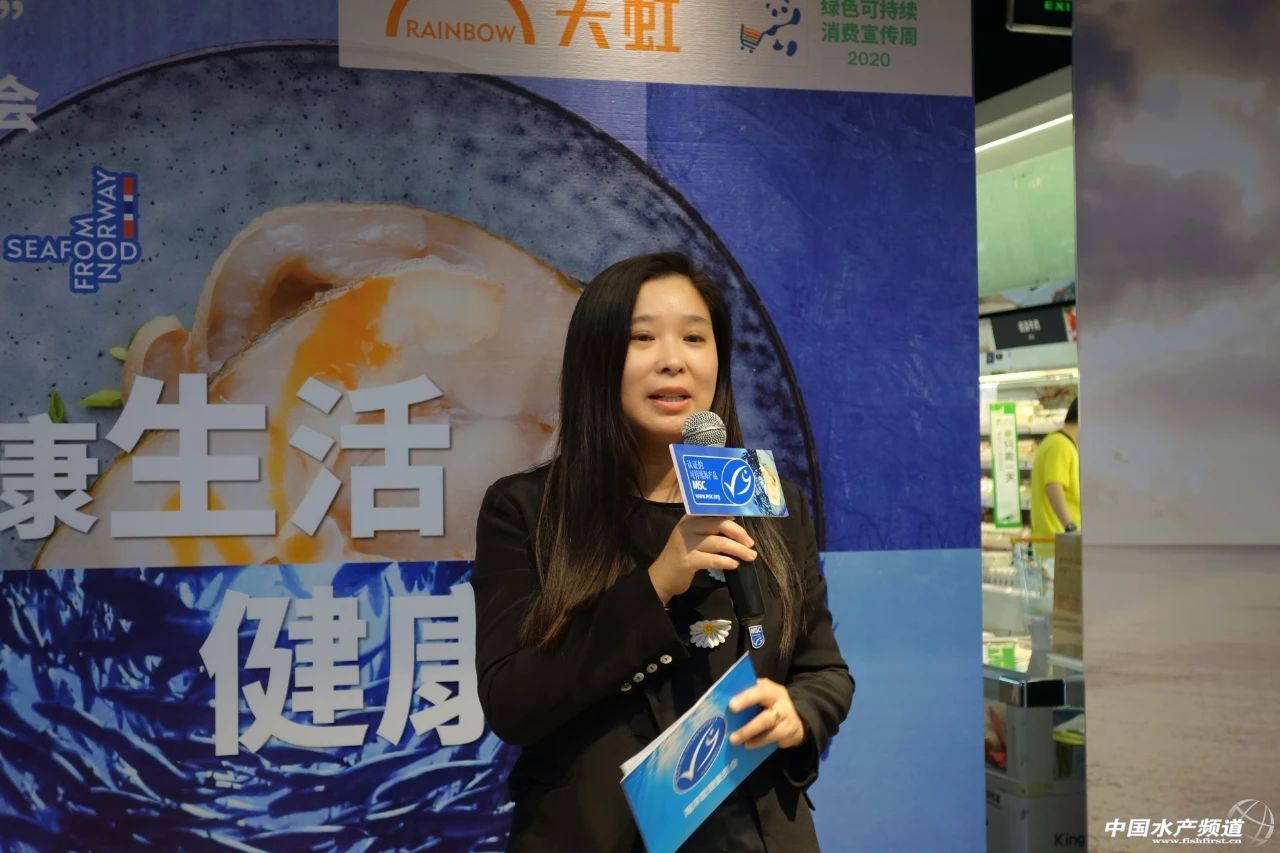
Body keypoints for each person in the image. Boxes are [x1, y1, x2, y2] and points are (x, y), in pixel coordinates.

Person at [473, 252, 854, 852]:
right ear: (596, 359)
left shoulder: (764, 496)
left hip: (752, 836)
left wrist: (797, 711)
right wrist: (657, 583)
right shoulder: (527, 510)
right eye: (642, 338)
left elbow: (823, 670)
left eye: (695, 338)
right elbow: (511, 702)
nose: (673, 359)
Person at [1030, 397, 1081, 550]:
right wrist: (1070, 527)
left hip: (1057, 542)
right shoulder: (1060, 445)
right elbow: (1053, 486)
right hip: (1057, 543)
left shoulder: (1059, 442)